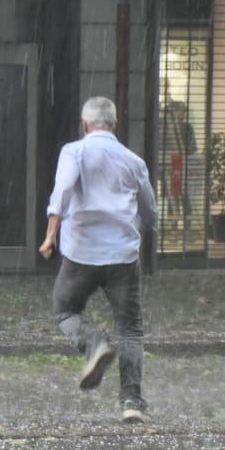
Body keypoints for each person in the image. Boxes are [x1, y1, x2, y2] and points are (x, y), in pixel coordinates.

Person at [39, 97, 159, 423]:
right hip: (122, 256)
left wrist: (51, 235)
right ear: (114, 125)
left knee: (64, 308)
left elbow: (62, 191)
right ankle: (132, 402)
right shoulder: (134, 161)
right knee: (130, 328)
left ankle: (94, 346)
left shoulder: (74, 152)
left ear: (85, 125)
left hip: (81, 253)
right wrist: (141, 232)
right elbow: (150, 213)